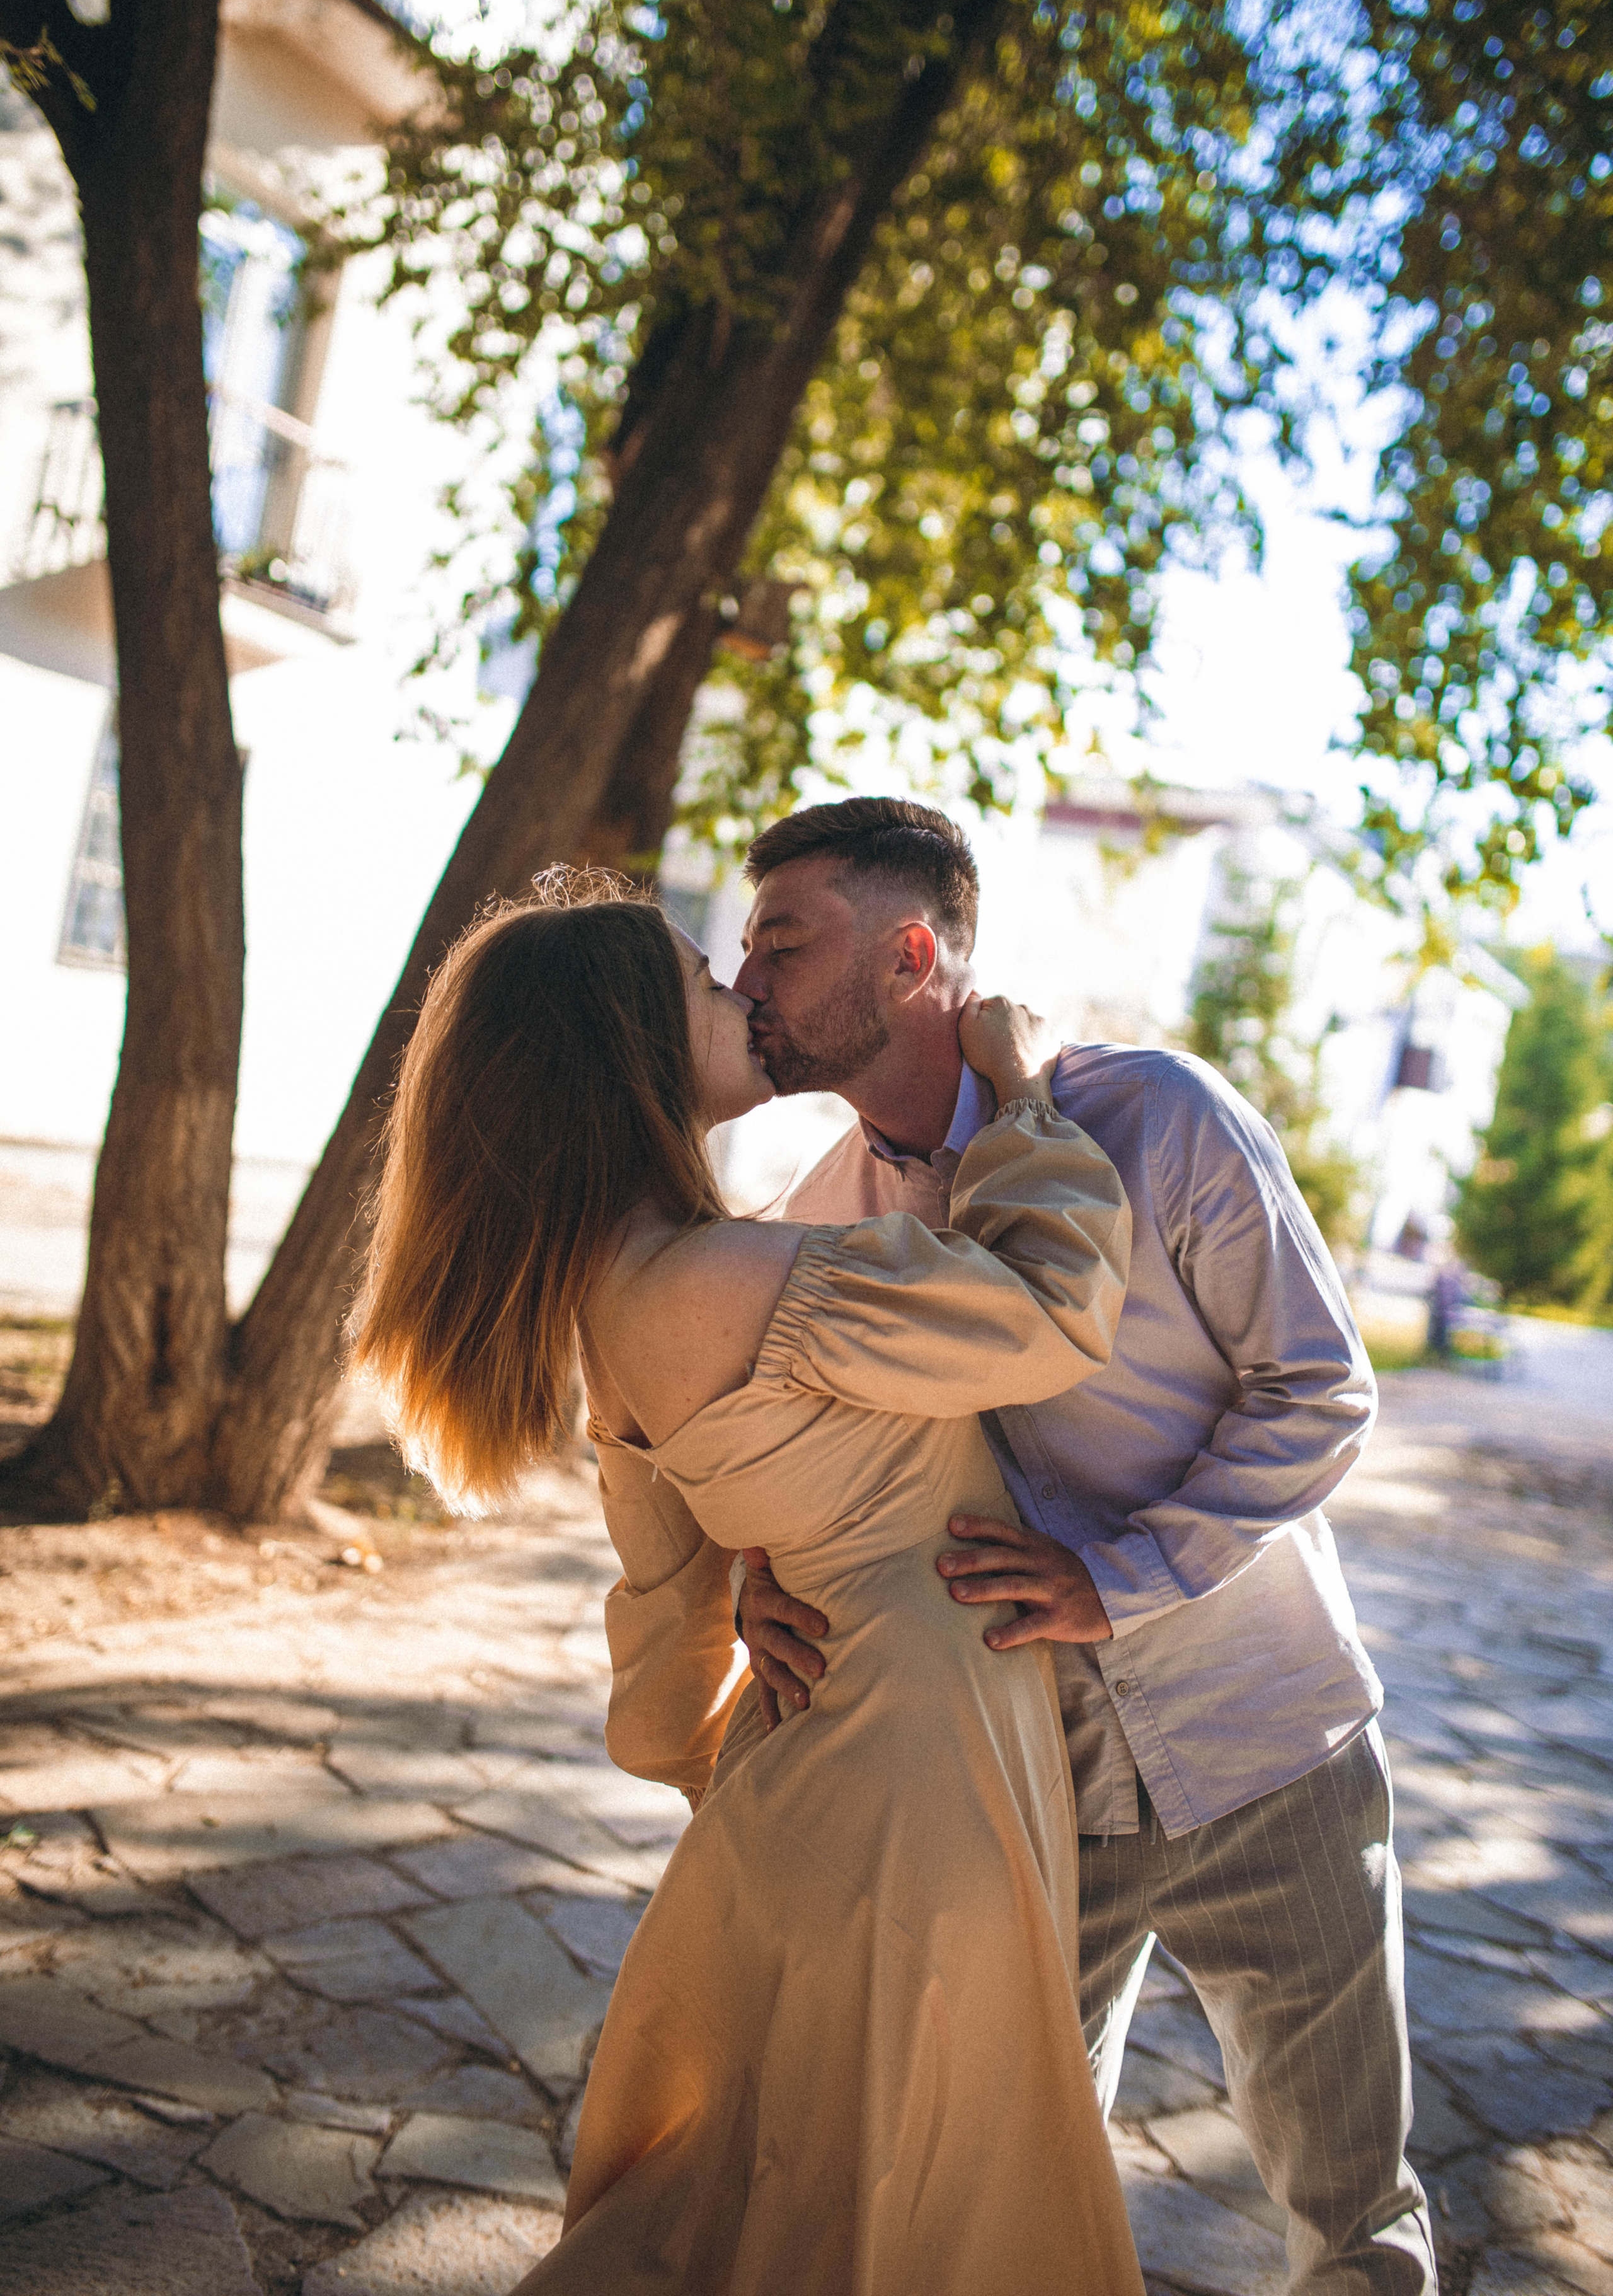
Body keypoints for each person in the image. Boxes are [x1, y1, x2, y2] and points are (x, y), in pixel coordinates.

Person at [617, 799, 1437, 2295]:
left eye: (783, 941)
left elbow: (1320, 1392)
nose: (749, 980)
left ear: (913, 953)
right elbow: (803, 1452)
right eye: (742, 946)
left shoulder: (1155, 1117)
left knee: (1354, 2216)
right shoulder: (822, 1215)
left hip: (1274, 1748)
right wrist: (757, 1576)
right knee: (980, 2194)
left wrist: (1118, 1581)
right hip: (1038, 1787)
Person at [351, 872, 1144, 2296]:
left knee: (804, 2203)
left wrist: (761, 1596)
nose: (744, 994)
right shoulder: (719, 1275)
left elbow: (664, 1640)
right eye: (705, 984)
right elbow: (1051, 1308)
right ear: (631, 1050)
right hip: (913, 1777)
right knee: (898, 2216)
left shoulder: (620, 1286)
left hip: (840, 1767)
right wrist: (1019, 1087)